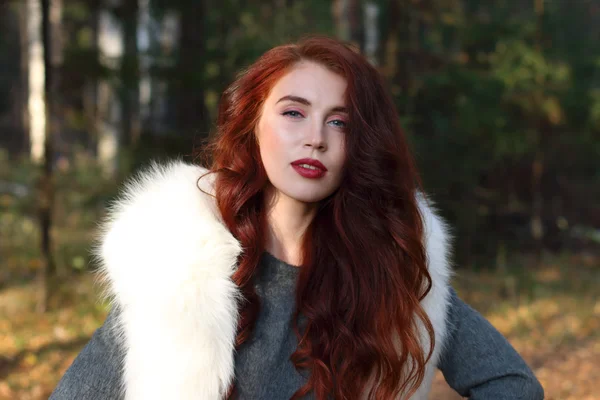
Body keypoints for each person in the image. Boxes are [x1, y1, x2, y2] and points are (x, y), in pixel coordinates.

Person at [50, 35, 544, 400]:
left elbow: (514, 386)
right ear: (252, 125)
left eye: (339, 121)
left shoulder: (391, 272)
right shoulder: (183, 269)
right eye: (293, 113)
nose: (316, 138)